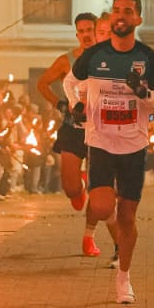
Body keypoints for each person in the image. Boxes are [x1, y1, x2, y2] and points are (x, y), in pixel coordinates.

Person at [65, 0, 154, 304]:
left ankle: (123, 278)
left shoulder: (148, 58)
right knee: (100, 207)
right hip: (100, 142)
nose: (121, 16)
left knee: (127, 218)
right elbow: (71, 82)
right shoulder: (95, 56)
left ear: (137, 18)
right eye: (117, 10)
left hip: (134, 145)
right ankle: (98, 215)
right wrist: (76, 104)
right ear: (111, 18)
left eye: (128, 11)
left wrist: (144, 95)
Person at [36, 13, 98, 243]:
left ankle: (89, 236)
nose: (86, 35)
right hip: (73, 128)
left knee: (99, 188)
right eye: (81, 31)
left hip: (100, 130)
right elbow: (41, 83)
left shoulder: (106, 58)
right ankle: (78, 187)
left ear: (96, 30)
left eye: (89, 30)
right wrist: (60, 104)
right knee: (71, 189)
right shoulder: (66, 61)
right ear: (77, 35)